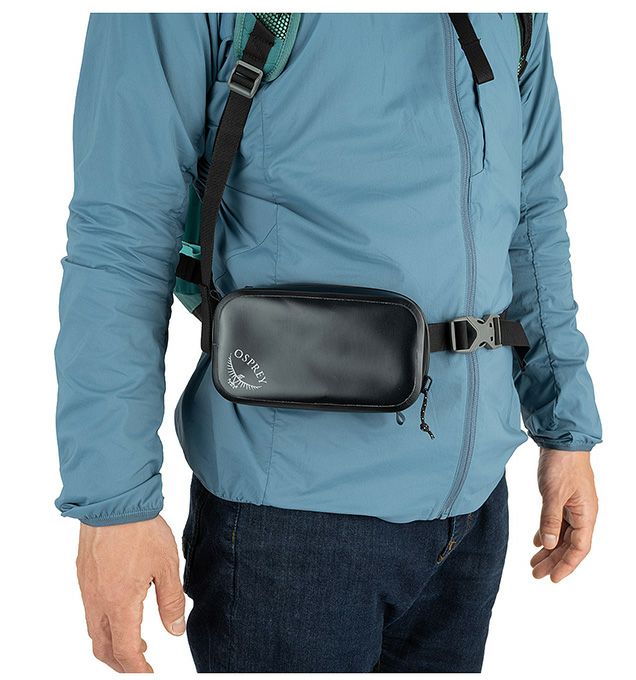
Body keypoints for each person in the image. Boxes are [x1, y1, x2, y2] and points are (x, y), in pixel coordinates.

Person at [55, 13, 602, 673]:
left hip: (474, 510)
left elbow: (533, 215)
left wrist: (566, 429)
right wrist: (113, 504)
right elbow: (120, 235)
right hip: (290, 523)